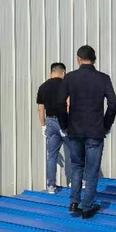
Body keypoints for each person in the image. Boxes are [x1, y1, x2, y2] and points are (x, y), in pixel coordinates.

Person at [60, 45, 116, 218]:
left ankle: (74, 202)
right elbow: (113, 103)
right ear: (94, 59)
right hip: (95, 130)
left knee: (77, 167)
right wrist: (106, 125)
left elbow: (59, 103)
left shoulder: (70, 77)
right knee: (92, 171)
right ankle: (87, 207)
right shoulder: (103, 78)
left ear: (78, 58)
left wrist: (65, 125)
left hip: (75, 130)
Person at [36, 62, 71, 193]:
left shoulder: (43, 87)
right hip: (64, 121)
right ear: (63, 72)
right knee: (75, 152)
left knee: (52, 156)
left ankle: (51, 186)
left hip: (50, 121)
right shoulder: (66, 85)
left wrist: (43, 125)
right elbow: (68, 104)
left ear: (51, 72)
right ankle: (76, 181)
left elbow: (41, 109)